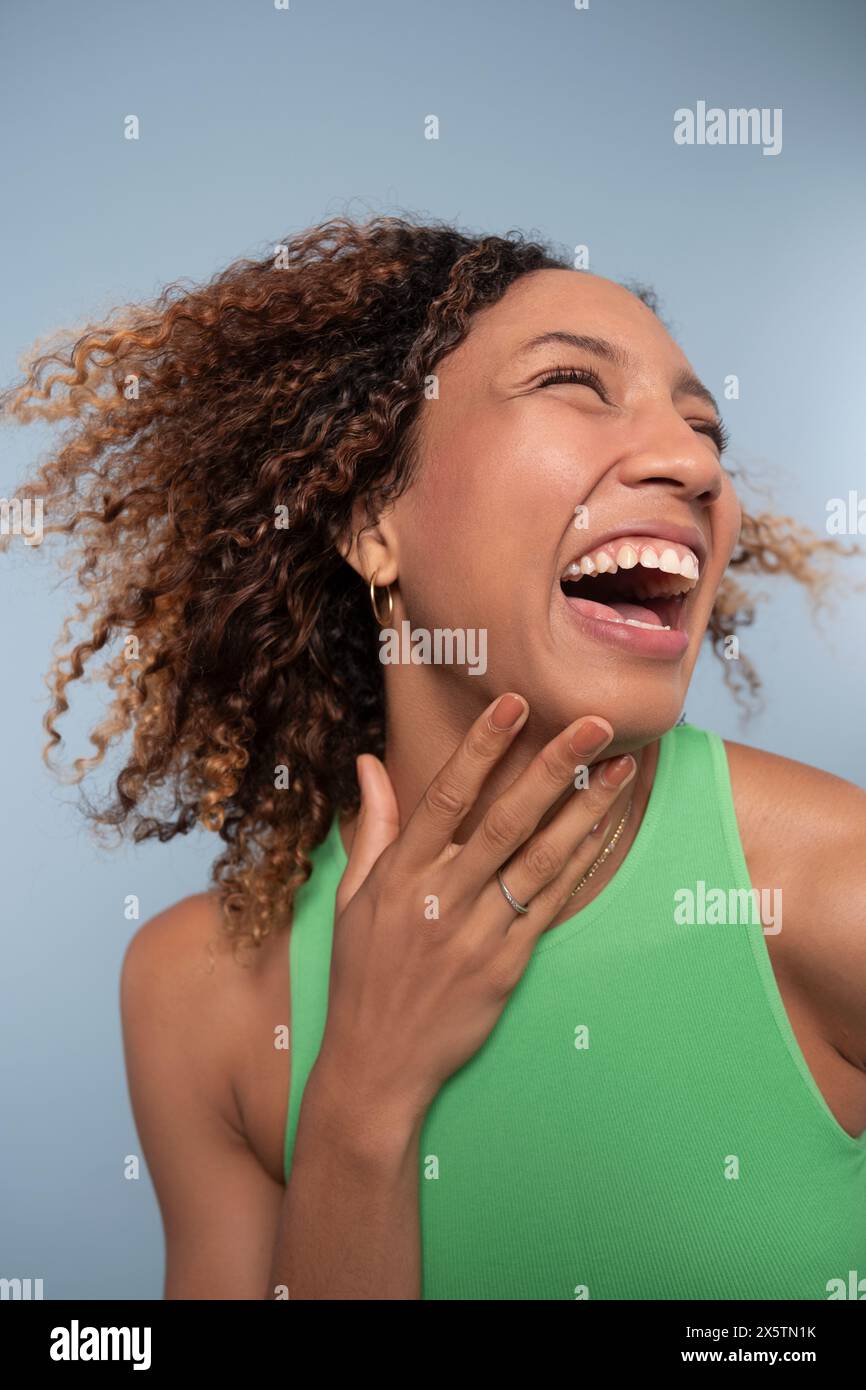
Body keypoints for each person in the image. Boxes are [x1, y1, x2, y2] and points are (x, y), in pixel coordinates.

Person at [5, 215, 865, 1300]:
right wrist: (361, 1095)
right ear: (374, 522)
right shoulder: (198, 995)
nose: (693, 464)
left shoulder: (835, 890)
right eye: (572, 383)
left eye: (705, 430)